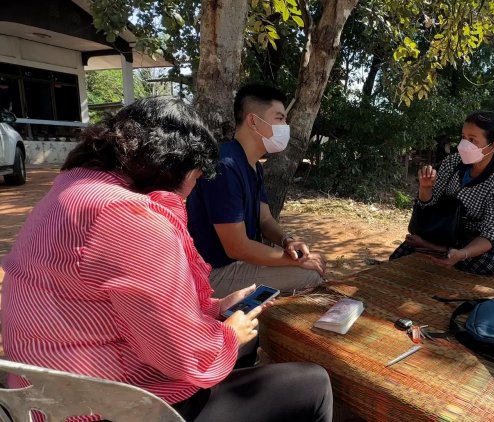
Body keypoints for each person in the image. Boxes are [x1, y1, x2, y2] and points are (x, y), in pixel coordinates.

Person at [0, 97, 333, 422]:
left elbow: (125, 302)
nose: (193, 189)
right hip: (114, 404)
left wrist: (215, 309)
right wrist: (228, 334)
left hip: (45, 392)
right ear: (178, 167)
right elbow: (181, 357)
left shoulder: (73, 188)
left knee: (243, 343)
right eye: (197, 177)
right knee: (313, 383)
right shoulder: (132, 218)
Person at [187, 84, 326, 297]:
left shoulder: (253, 166)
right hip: (213, 274)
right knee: (310, 274)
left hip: (237, 264)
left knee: (314, 263)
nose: (285, 126)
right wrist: (294, 261)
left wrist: (288, 241)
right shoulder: (225, 165)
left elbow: (265, 220)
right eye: (279, 119)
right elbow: (237, 247)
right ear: (253, 121)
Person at [390, 111, 494, 275]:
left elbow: (490, 236)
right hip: (440, 230)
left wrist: (462, 254)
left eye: (472, 140)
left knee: (492, 259)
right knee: (397, 262)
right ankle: (434, 247)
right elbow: (427, 205)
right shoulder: (452, 162)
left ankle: (433, 249)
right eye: (463, 137)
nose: (464, 144)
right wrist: (425, 188)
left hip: (468, 242)